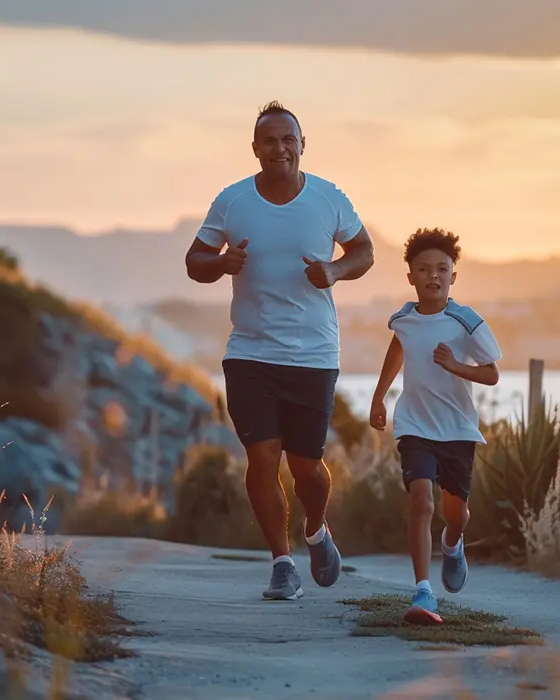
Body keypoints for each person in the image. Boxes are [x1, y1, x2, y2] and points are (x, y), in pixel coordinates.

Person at [184, 101, 375, 601]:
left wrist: (333, 272)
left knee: (307, 467)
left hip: (313, 353)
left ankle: (315, 529)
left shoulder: (329, 199)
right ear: (255, 149)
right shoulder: (233, 200)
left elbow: (364, 251)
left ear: (302, 144)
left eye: (288, 139)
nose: (279, 148)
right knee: (262, 458)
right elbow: (194, 261)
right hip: (249, 351)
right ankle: (282, 563)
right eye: (269, 141)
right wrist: (223, 263)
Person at [368, 228, 501, 625]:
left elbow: (492, 373)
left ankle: (453, 541)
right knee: (421, 501)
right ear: (410, 276)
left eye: (442, 269)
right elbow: (398, 348)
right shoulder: (404, 319)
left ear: (454, 275)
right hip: (415, 424)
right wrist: (379, 396)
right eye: (424, 269)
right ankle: (424, 592)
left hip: (458, 429)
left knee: (456, 512)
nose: (433, 276)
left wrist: (455, 366)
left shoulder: (467, 321)